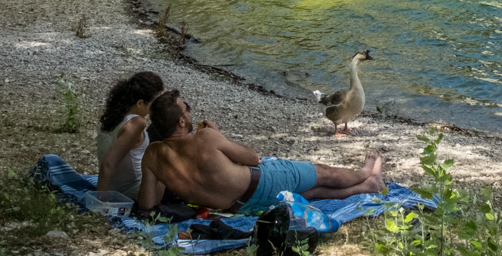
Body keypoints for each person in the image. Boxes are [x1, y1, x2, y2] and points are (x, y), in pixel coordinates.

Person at [136, 90, 385, 215]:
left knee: (310, 191)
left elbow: (147, 205)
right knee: (321, 173)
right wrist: (218, 135)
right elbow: (251, 158)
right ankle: (364, 174)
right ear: (181, 122)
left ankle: (367, 186)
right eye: (185, 110)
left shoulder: (153, 155)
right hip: (260, 182)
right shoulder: (205, 138)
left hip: (237, 208)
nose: (189, 113)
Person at [96, 71, 164, 200]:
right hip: (134, 192)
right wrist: (101, 202)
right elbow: (108, 164)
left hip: (115, 186)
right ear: (140, 103)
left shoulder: (112, 115)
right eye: (155, 102)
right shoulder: (136, 123)